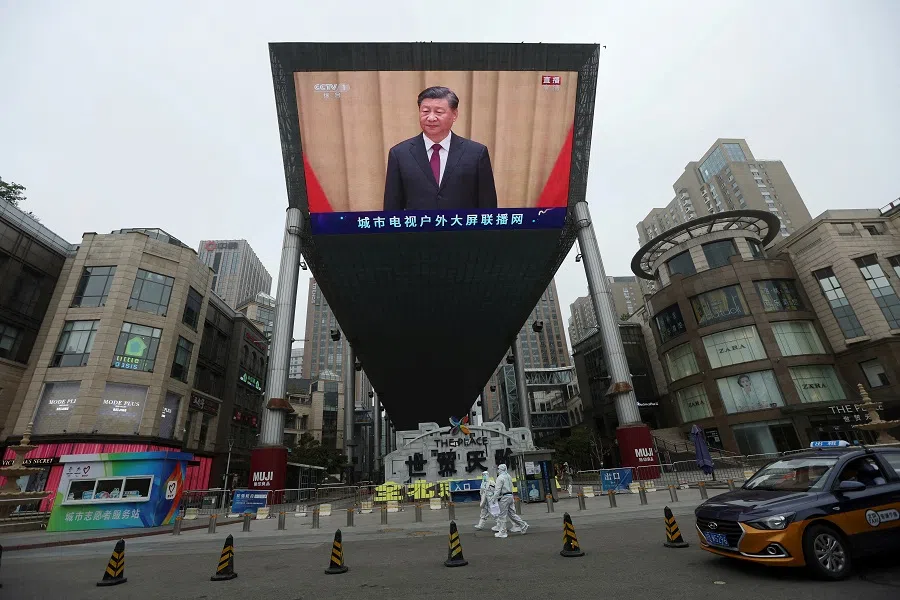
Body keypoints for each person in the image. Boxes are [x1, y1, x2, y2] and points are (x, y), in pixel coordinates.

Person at [383, 86, 498, 212]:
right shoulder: (399, 154)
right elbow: (392, 207)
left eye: (438, 112)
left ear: (454, 114)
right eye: (425, 111)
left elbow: (488, 206)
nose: (431, 118)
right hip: (418, 230)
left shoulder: (476, 153)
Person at [492, 464, 528, 538]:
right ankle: (523, 525)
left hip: (504, 497)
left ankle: (503, 532)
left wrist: (494, 498)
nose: (498, 470)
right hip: (510, 496)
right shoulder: (508, 476)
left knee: (502, 515)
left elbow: (497, 489)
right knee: (512, 514)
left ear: (501, 469)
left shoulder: (500, 477)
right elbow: (511, 486)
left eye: (498, 469)